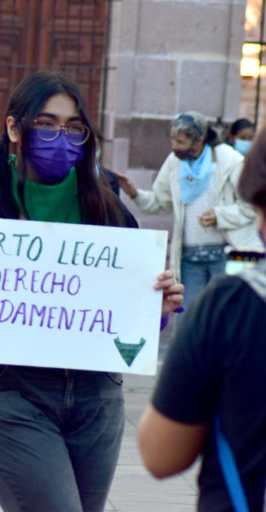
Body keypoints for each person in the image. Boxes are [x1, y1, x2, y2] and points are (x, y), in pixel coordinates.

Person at [0, 72, 185, 512]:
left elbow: (140, 324)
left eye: (73, 127)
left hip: (95, 399)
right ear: (14, 128)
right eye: (45, 124)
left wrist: (160, 307)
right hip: (6, 392)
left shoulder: (108, 213)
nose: (60, 137)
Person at [137, 127, 266, 511]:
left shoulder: (234, 306)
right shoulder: (174, 167)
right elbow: (157, 200)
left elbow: (161, 454)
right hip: (194, 257)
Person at [117, 111, 259, 307]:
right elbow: (160, 202)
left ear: (199, 140)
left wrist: (219, 215)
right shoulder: (175, 162)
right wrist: (135, 194)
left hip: (223, 254)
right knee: (189, 317)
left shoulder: (230, 161)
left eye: (181, 142)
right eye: (173, 140)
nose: (175, 146)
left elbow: (250, 206)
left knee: (221, 317)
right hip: (189, 258)